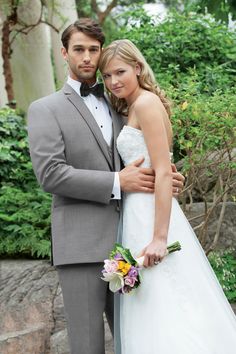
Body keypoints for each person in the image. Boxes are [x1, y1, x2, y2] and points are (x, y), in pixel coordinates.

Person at [27, 19, 184, 354]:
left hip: (130, 241)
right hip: (81, 246)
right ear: (64, 53)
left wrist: (163, 179)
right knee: (88, 346)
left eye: (93, 50)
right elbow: (51, 174)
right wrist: (117, 181)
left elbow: (138, 157)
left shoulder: (119, 105)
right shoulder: (45, 109)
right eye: (79, 49)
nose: (87, 57)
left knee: (137, 341)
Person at [99, 39, 236, 354]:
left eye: (119, 72)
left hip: (151, 218)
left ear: (137, 67)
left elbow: (163, 171)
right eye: (106, 76)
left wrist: (160, 237)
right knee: (157, 303)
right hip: (137, 214)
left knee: (167, 301)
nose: (113, 81)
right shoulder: (132, 106)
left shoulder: (145, 104)